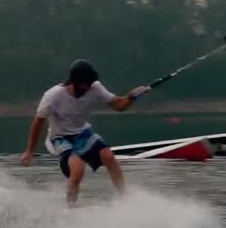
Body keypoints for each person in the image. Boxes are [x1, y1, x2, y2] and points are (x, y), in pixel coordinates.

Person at [20, 59, 150, 206]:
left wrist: (132, 97)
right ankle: (71, 208)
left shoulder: (95, 87)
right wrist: (30, 151)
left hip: (82, 132)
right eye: (85, 84)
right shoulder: (53, 96)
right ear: (74, 82)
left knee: (108, 155)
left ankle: (125, 197)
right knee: (78, 168)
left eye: (90, 83)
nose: (89, 87)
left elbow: (119, 106)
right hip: (60, 137)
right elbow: (38, 122)